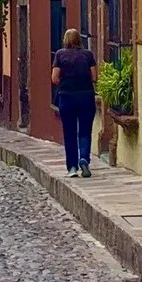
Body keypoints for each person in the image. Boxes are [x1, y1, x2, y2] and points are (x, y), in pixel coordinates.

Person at [50, 28, 98, 178]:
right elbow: (94, 76)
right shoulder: (88, 55)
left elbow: (54, 77)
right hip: (86, 96)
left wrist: (64, 82)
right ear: (79, 40)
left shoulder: (60, 54)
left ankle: (72, 167)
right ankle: (84, 157)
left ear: (65, 40)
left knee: (69, 132)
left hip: (67, 97)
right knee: (85, 130)